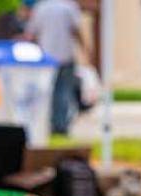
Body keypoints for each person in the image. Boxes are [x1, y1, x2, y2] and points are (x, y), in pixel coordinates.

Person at [25, 0, 86, 135]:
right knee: (63, 92)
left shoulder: (41, 7)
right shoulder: (69, 6)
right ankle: (60, 126)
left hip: (45, 58)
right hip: (65, 55)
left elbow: (31, 33)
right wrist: (85, 49)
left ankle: (50, 125)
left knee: (47, 93)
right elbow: (76, 30)